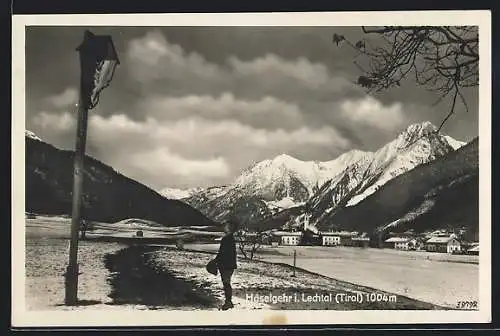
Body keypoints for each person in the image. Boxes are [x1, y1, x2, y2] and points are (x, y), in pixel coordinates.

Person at [215, 219, 238, 310]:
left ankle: (228, 302)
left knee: (226, 283)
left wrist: (217, 261)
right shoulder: (230, 238)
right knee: (226, 283)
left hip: (226, 265)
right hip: (228, 265)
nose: (224, 227)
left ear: (229, 228)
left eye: (226, 226)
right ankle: (228, 301)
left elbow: (223, 253)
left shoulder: (227, 239)